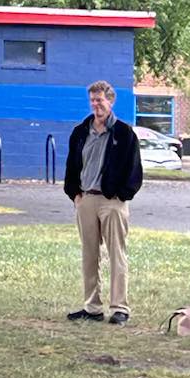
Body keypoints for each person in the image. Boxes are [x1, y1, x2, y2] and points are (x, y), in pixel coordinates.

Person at [62, 80, 143, 326]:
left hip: (112, 202)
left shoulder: (124, 134)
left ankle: (119, 307)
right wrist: (74, 193)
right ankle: (92, 307)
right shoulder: (80, 132)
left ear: (111, 101)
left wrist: (122, 195)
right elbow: (72, 166)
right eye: (93, 100)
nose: (96, 105)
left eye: (101, 100)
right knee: (89, 254)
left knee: (116, 254)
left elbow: (135, 171)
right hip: (86, 199)